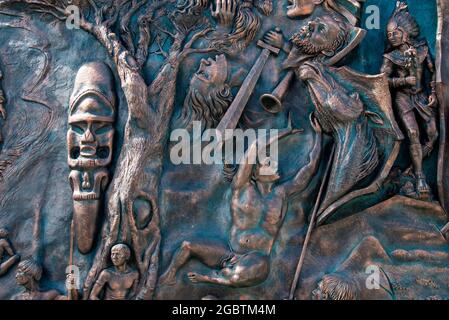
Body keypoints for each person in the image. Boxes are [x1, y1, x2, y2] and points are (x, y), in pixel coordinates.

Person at [159, 115, 322, 287]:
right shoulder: (242, 187)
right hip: (230, 254)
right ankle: (167, 277)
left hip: (257, 259)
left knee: (247, 272)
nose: (273, 165)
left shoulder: (281, 194)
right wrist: (285, 132)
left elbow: (309, 170)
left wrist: (318, 136)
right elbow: (255, 147)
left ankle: (212, 279)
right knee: (187, 246)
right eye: (267, 163)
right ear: (255, 173)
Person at [380, 1, 438, 199]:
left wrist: (433, 92)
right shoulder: (390, 57)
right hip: (403, 99)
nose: (391, 37)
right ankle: (420, 177)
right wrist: (403, 80)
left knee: (433, 135)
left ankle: (412, 169)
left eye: (394, 33)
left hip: (421, 97)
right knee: (413, 133)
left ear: (405, 32)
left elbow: (433, 71)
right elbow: (382, 81)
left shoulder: (422, 49)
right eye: (389, 34)